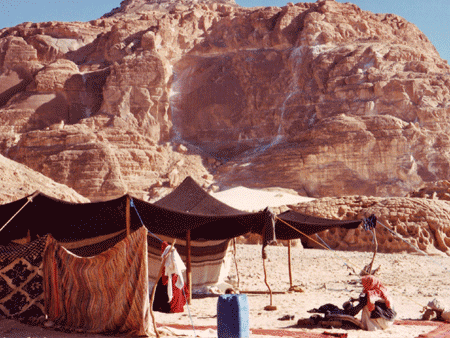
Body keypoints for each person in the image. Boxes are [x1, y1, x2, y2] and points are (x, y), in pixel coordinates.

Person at [153, 241, 189, 313]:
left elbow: (166, 267)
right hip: (174, 276)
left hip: (170, 276)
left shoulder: (169, 253)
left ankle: (167, 308)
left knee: (167, 290)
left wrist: (164, 277)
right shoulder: (169, 253)